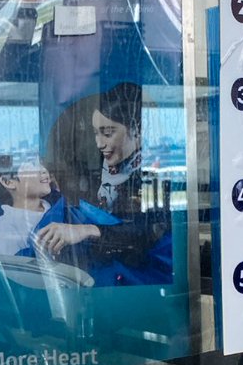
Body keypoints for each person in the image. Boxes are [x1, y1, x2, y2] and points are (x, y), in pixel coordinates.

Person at [37, 81, 172, 284]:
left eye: (108, 134)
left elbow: (147, 233)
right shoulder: (96, 170)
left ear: (135, 129)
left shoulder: (154, 176)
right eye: (95, 133)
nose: (100, 144)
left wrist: (88, 230)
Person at [0, 156, 54, 255]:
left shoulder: (55, 205)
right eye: (32, 165)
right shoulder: (6, 228)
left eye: (41, 163)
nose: (44, 170)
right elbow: (16, 268)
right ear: (8, 182)